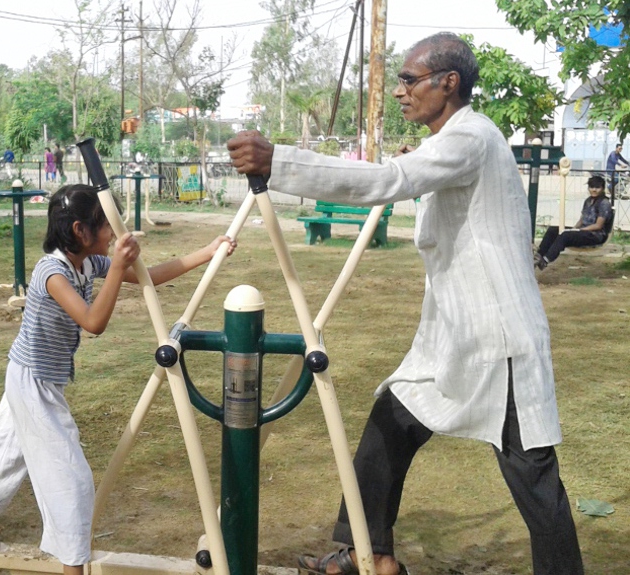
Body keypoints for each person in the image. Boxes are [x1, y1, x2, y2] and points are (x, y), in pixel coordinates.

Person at [228, 32, 582, 575]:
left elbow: (391, 180)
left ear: (449, 83)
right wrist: (421, 162)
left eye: (409, 80)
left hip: (500, 341)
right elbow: (423, 175)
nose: (399, 91)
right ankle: (368, 554)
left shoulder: (471, 138)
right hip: (455, 340)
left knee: (535, 479)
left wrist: (280, 163)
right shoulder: (455, 140)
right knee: (389, 423)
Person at [0, 183, 236, 575]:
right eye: (104, 226)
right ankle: (72, 566)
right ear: (80, 231)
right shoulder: (52, 272)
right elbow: (93, 322)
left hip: (36, 375)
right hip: (32, 382)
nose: (111, 234)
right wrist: (115, 265)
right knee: (71, 480)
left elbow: (150, 276)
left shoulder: (86, 263)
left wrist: (207, 252)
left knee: (4, 450)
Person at [535, 174, 613, 270]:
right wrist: (574, 229)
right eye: (591, 187)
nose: (594, 190)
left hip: (595, 235)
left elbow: (598, 225)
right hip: (584, 232)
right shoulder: (588, 201)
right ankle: (538, 255)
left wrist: (580, 230)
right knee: (554, 230)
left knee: (565, 235)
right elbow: (582, 219)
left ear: (602, 188)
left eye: (597, 187)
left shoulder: (604, 203)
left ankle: (545, 260)